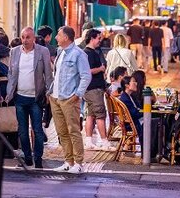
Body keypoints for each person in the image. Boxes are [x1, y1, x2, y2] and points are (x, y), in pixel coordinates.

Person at [6, 27, 52, 168]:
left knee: (37, 129)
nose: (25, 40)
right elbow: (11, 73)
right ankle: (27, 156)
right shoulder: (14, 52)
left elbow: (48, 74)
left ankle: (38, 157)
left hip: (36, 97)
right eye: (23, 37)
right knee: (22, 130)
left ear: (34, 38)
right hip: (19, 97)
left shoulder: (42, 51)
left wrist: (49, 93)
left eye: (28, 37)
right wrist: (9, 92)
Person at [49, 26, 92, 174]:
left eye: (58, 35)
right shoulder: (60, 52)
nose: (56, 38)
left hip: (69, 98)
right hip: (55, 97)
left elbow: (86, 76)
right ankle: (68, 161)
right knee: (61, 132)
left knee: (73, 130)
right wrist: (50, 92)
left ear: (66, 37)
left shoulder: (78, 54)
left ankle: (78, 163)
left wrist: (77, 95)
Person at [82, 29, 111, 150]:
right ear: (92, 38)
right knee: (100, 115)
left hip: (90, 88)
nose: (100, 41)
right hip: (93, 89)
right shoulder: (88, 53)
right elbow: (87, 71)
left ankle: (88, 142)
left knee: (91, 115)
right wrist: (100, 69)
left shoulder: (90, 52)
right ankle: (105, 142)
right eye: (98, 38)